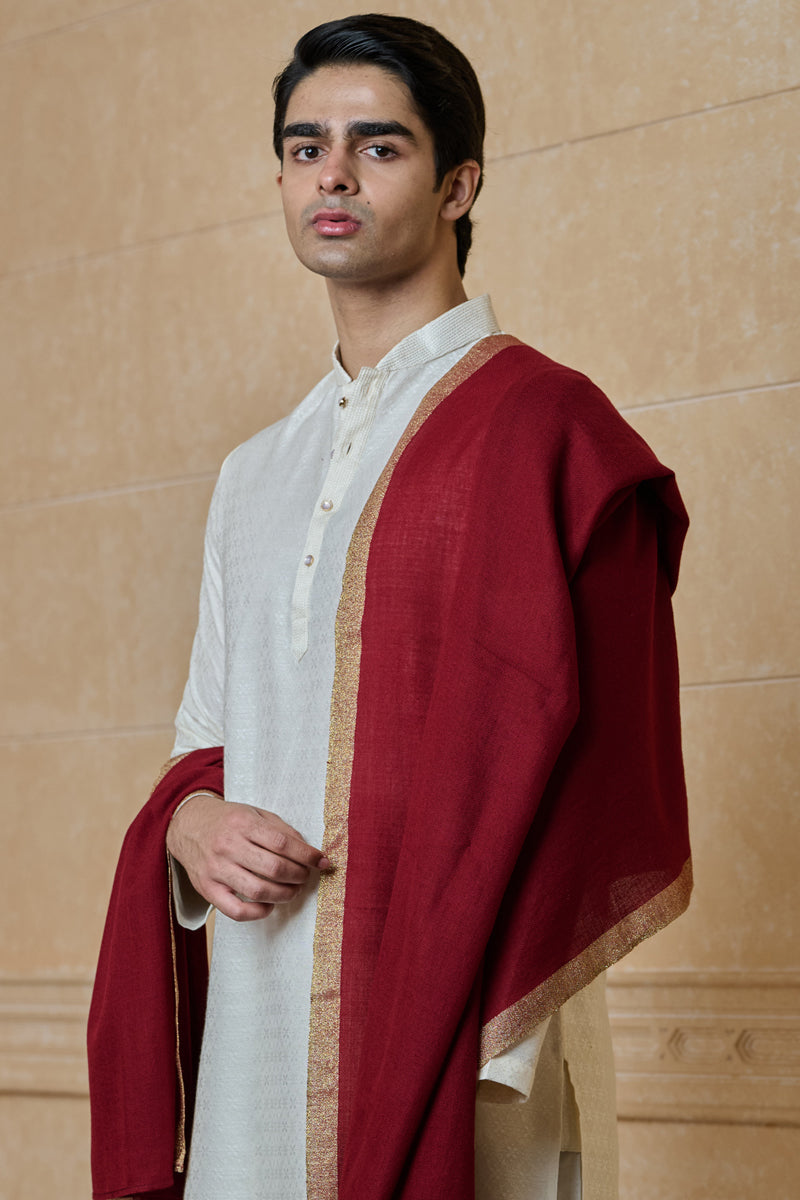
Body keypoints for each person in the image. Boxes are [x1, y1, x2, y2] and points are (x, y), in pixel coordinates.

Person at [88, 14, 691, 1200]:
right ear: (278, 177)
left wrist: (462, 994)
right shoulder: (253, 473)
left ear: (459, 181)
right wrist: (188, 829)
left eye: (379, 146)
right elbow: (200, 744)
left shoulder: (546, 431)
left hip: (476, 1030)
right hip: (259, 1022)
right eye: (306, 145)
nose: (333, 173)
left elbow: (611, 768)